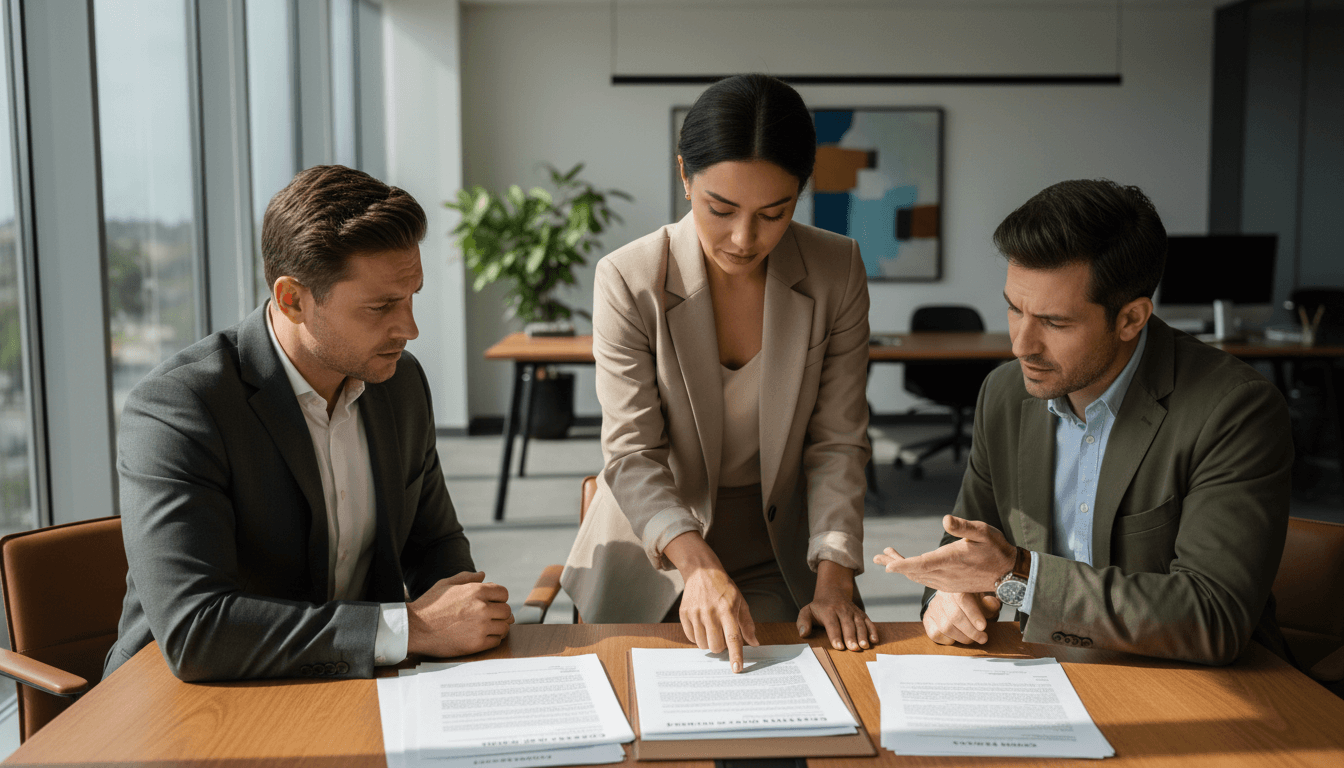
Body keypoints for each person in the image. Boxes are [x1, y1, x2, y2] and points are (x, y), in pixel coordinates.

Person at [106, 165, 512, 682]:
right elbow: (198, 631)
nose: (408, 328)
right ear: (293, 299)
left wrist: (468, 615)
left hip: (349, 687)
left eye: (411, 297)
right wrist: (413, 628)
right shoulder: (180, 408)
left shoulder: (399, 383)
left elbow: (432, 544)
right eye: (381, 306)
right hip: (183, 706)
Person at [875, 179, 1293, 665]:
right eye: (1014, 309)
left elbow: (1213, 617)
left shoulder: (1234, 410)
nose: (1021, 345)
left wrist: (1017, 576)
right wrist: (947, 599)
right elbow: (966, 546)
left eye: (1054, 323)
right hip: (1051, 679)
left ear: (1131, 319)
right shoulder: (1005, 393)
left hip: (1202, 686)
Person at [561, 74, 875, 672]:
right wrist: (699, 567)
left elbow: (839, 439)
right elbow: (631, 453)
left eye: (773, 213)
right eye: (721, 208)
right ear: (684, 175)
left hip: (780, 549)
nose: (743, 238)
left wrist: (834, 575)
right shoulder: (629, 279)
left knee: (795, 707)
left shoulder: (837, 269)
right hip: (655, 548)